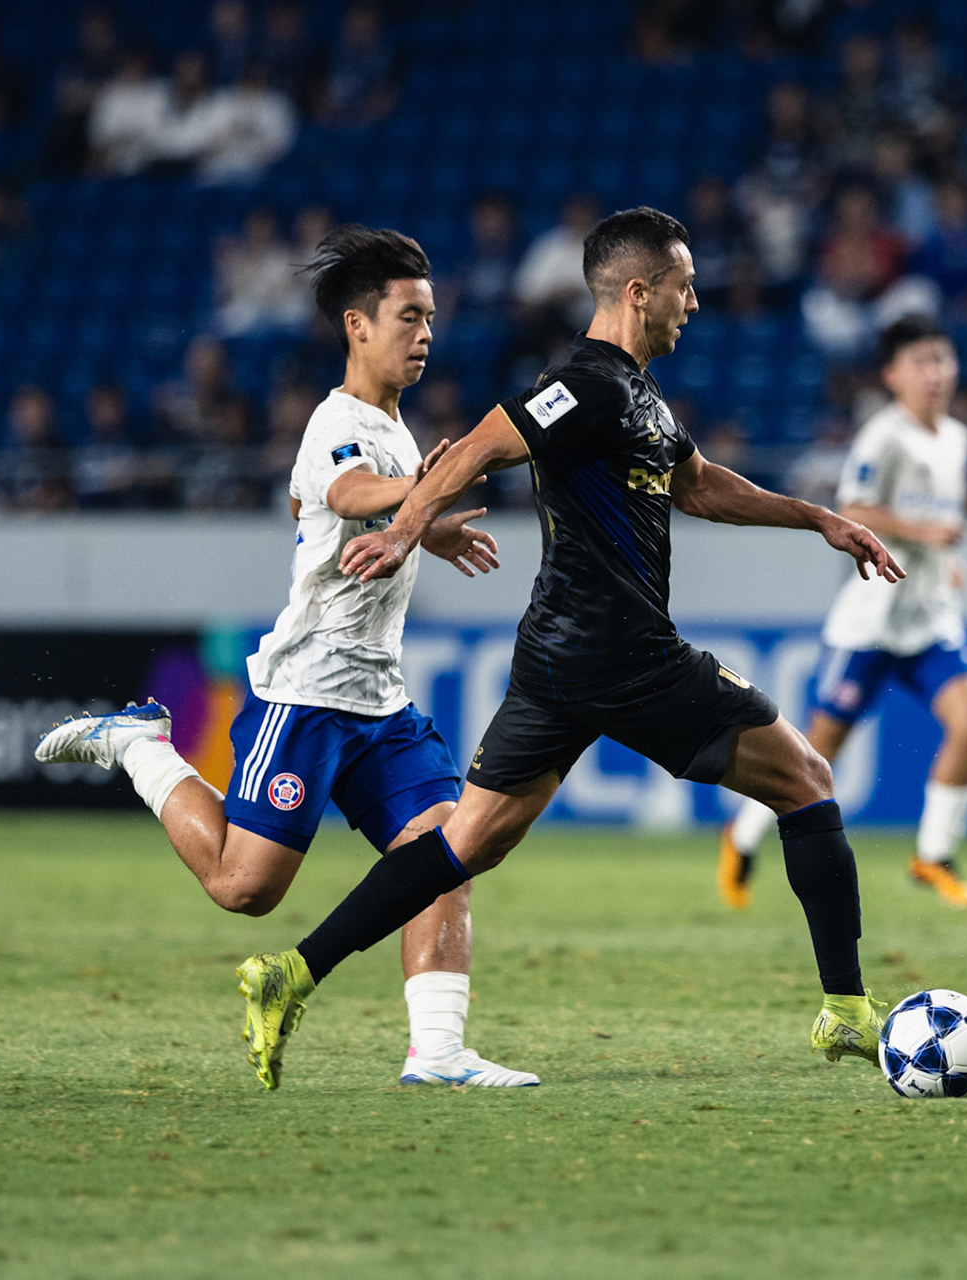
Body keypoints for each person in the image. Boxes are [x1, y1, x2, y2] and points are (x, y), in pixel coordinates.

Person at [224, 207, 907, 1091]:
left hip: (558, 661)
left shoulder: (638, 395)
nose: (695, 303)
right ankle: (846, 1009)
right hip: (625, 656)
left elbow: (701, 487)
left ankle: (291, 973)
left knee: (464, 845)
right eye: (684, 286)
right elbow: (477, 448)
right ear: (639, 292)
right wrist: (403, 531)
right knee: (806, 778)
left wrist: (820, 519)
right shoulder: (582, 384)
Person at [33, 226, 533, 1090]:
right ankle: (142, 747)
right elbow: (344, 490)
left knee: (446, 853)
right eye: (409, 317)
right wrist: (417, 496)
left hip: (380, 698)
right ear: (357, 326)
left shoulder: (394, 428)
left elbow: (325, 509)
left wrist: (425, 527)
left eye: (431, 318)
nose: (426, 334)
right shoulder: (336, 421)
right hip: (307, 692)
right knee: (245, 889)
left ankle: (439, 1052)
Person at [719, 314, 967, 912]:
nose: (935, 373)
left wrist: (945, 560)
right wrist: (927, 533)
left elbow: (937, 519)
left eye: (942, 360)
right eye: (920, 362)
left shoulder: (957, 438)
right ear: (892, 375)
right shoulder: (882, 438)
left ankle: (934, 855)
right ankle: (741, 836)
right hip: (871, 620)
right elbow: (854, 507)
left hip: (928, 618)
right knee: (815, 755)